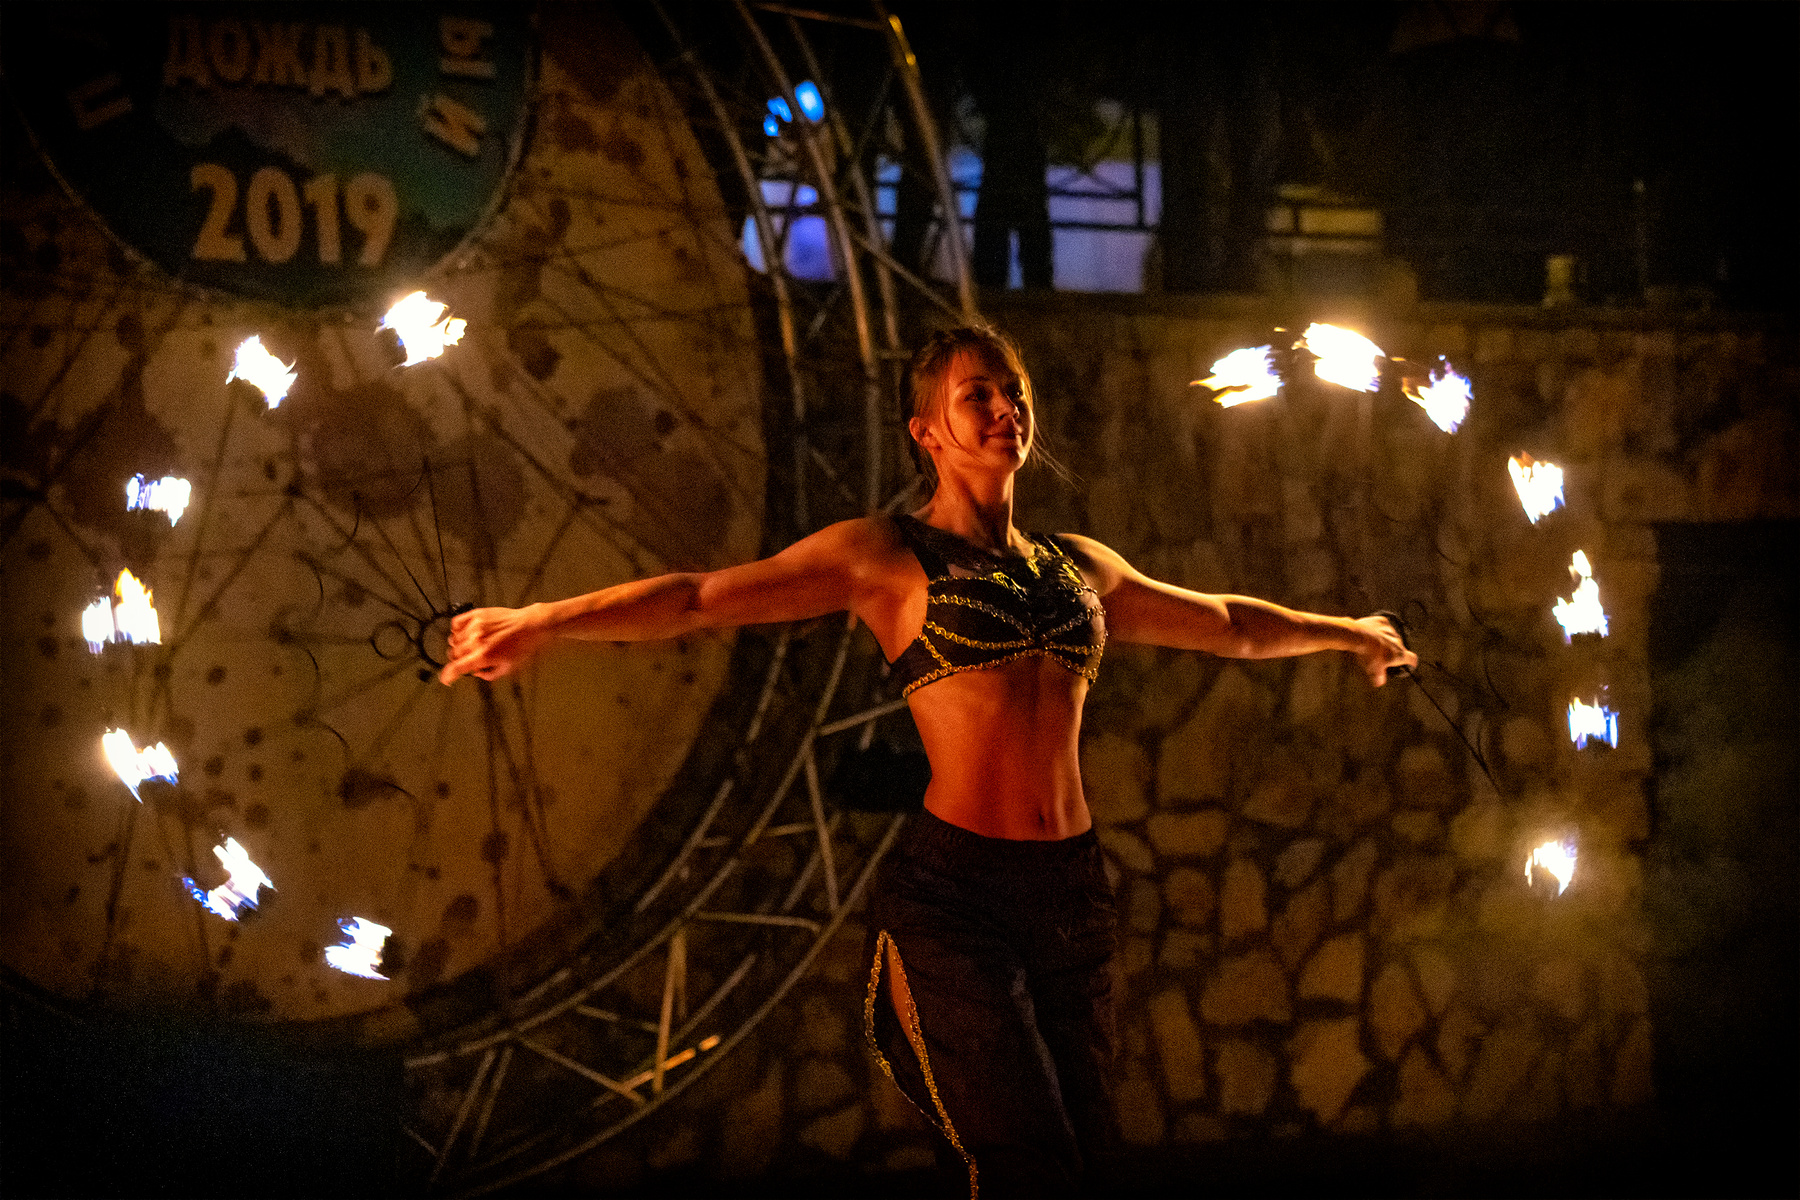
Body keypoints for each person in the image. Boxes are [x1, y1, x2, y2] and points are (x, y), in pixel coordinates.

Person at [439, 324, 1415, 1197]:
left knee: (1089, 1163)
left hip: (1071, 894)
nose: (1003, 408)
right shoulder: (887, 557)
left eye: (1011, 391)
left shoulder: (1080, 566)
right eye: (975, 395)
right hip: (958, 898)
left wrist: (1352, 634)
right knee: (1030, 1165)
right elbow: (699, 598)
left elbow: (1231, 625)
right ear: (927, 433)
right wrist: (543, 620)